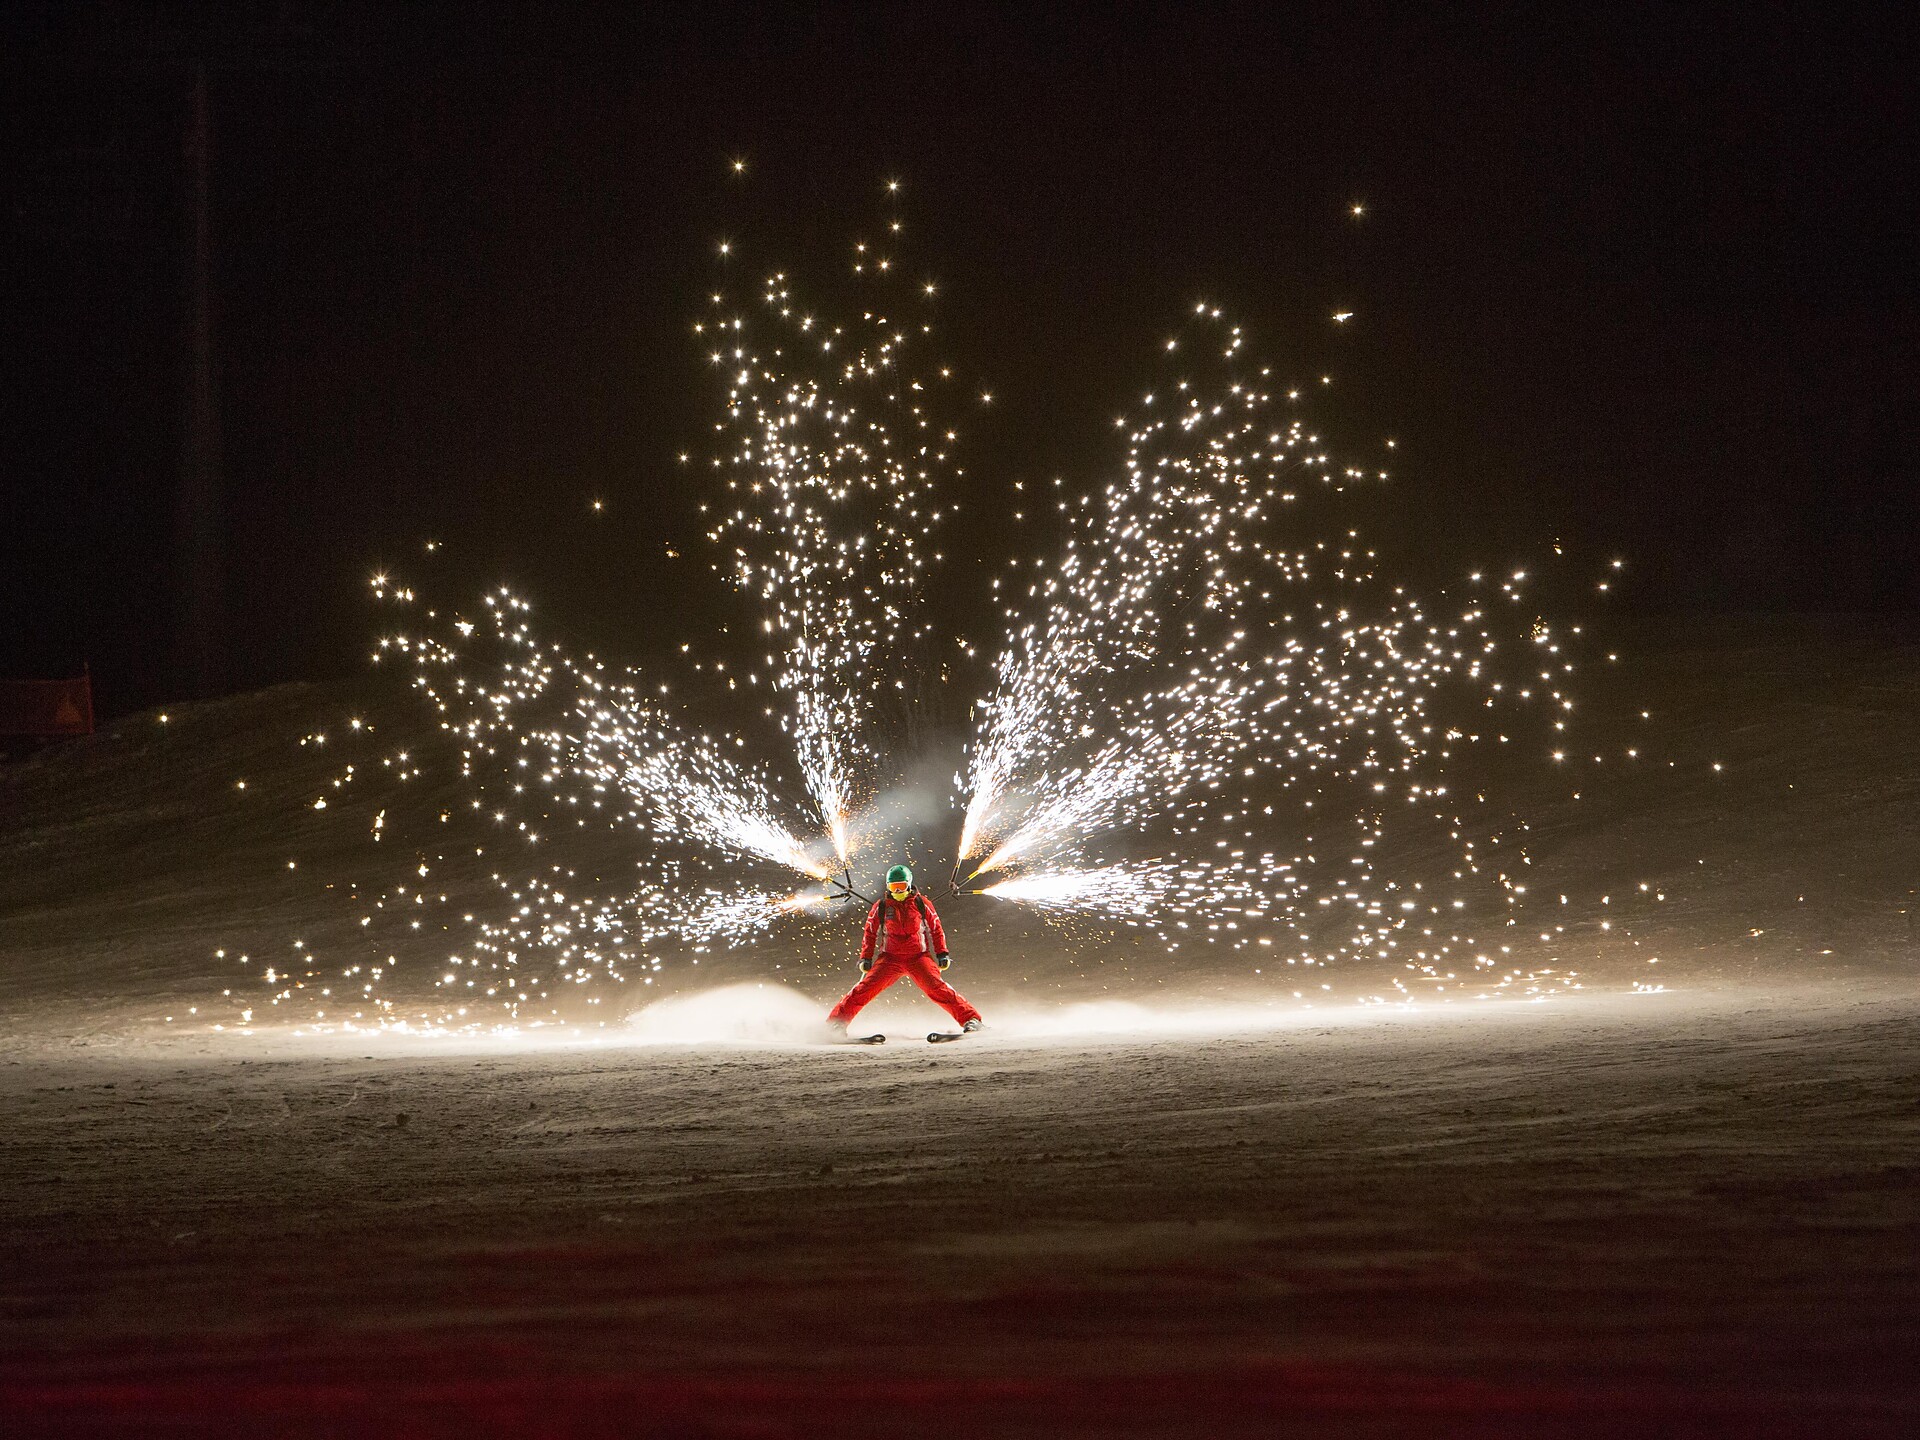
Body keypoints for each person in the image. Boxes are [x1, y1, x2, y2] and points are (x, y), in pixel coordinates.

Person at [827, 864, 983, 1037]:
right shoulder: (881, 906)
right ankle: (836, 1023)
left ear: (908, 885)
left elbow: (936, 929)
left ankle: (971, 1019)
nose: (897, 891)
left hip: (918, 958)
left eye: (901, 886)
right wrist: (866, 957)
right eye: (893, 887)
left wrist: (942, 953)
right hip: (890, 959)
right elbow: (870, 932)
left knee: (937, 988)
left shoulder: (921, 903)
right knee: (864, 989)